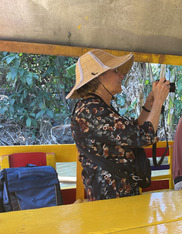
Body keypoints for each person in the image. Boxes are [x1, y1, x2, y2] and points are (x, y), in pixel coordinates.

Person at [66, 49, 170, 201]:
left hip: (117, 194)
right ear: (98, 77)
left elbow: (130, 134)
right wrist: (159, 102)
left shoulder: (97, 107)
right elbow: (145, 137)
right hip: (110, 198)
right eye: (115, 71)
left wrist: (149, 105)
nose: (121, 75)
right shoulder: (91, 110)